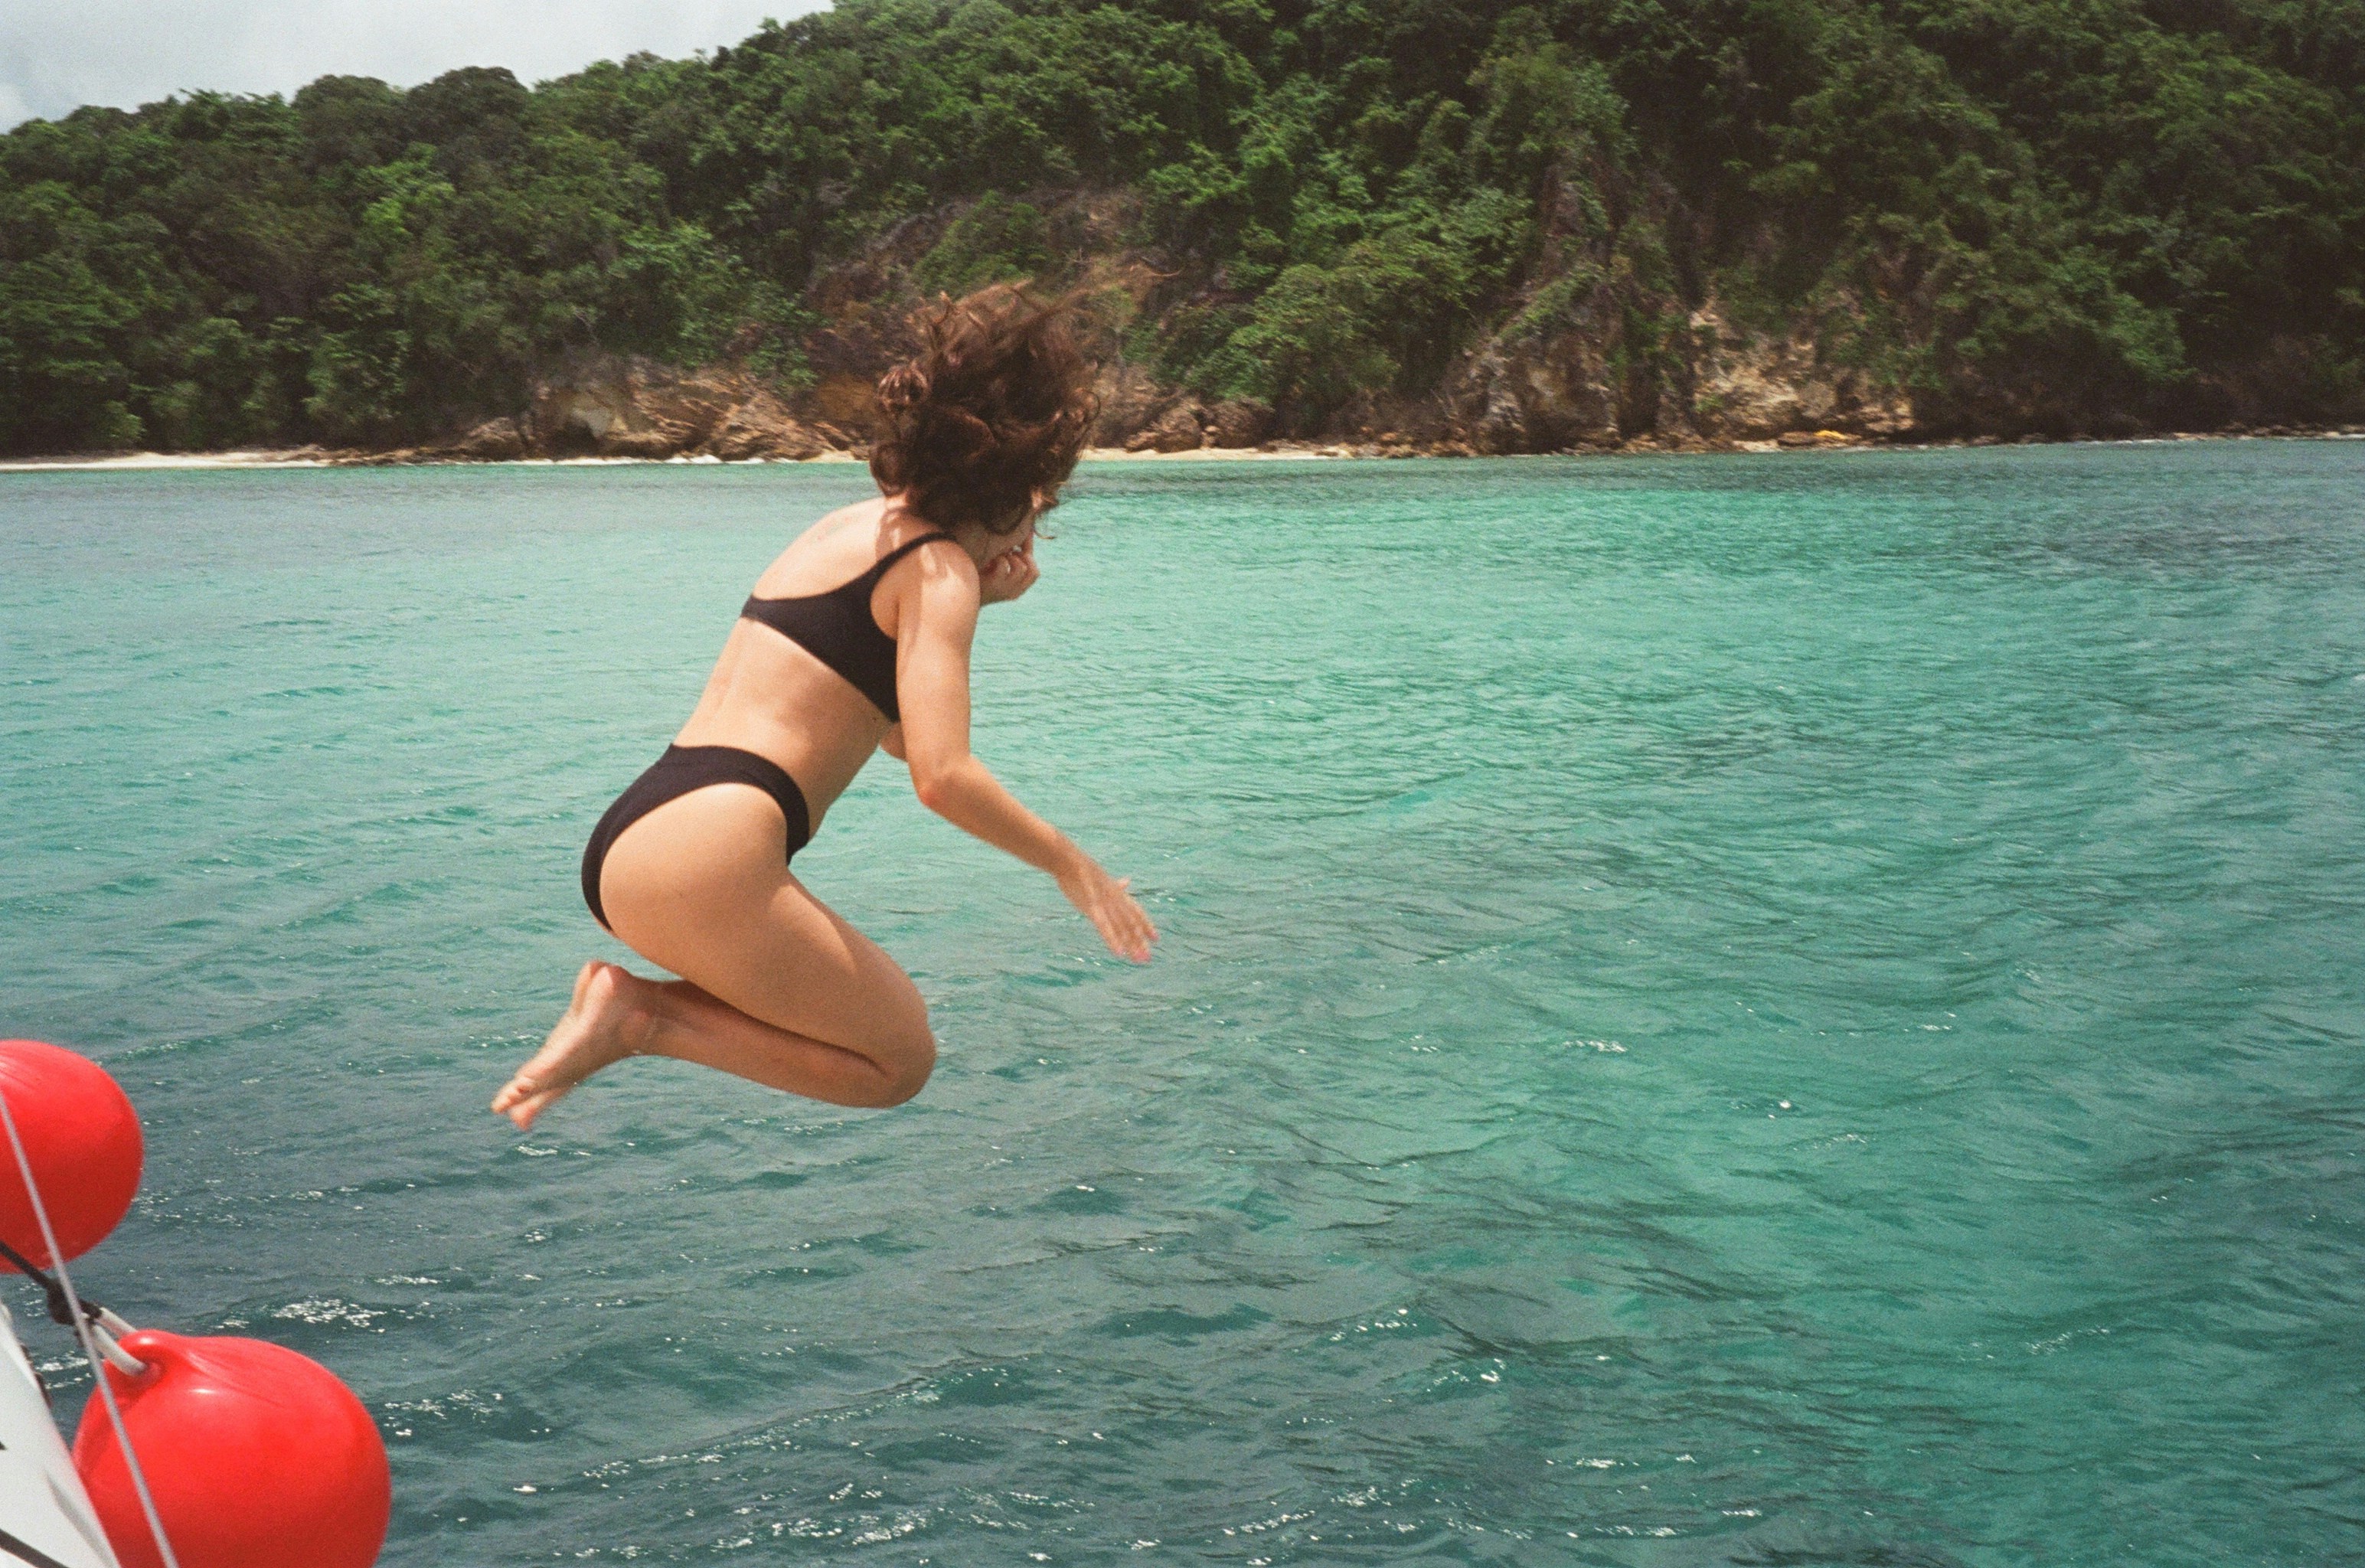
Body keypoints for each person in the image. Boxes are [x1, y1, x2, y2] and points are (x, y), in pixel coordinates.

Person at [492, 285, 1156, 1132]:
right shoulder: (940, 572)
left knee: (885, 1050)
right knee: (895, 1063)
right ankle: (640, 1019)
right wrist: (1072, 866)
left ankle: (636, 1015)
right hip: (707, 852)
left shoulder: (853, 528)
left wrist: (980, 604)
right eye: (1043, 502)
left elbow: (891, 732)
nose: (1036, 533)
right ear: (1014, 485)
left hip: (641, 832)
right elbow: (940, 775)